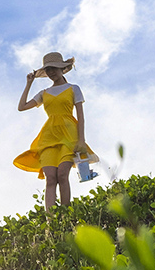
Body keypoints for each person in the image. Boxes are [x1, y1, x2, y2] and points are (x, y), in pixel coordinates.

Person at [14, 51, 95, 210]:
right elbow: (21, 107)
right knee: (50, 178)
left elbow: (81, 117)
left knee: (62, 175)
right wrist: (29, 83)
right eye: (48, 69)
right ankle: (51, 221)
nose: (51, 72)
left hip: (69, 136)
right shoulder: (44, 93)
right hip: (49, 137)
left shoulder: (73, 89)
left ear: (62, 68)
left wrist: (81, 140)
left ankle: (65, 215)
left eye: (54, 68)